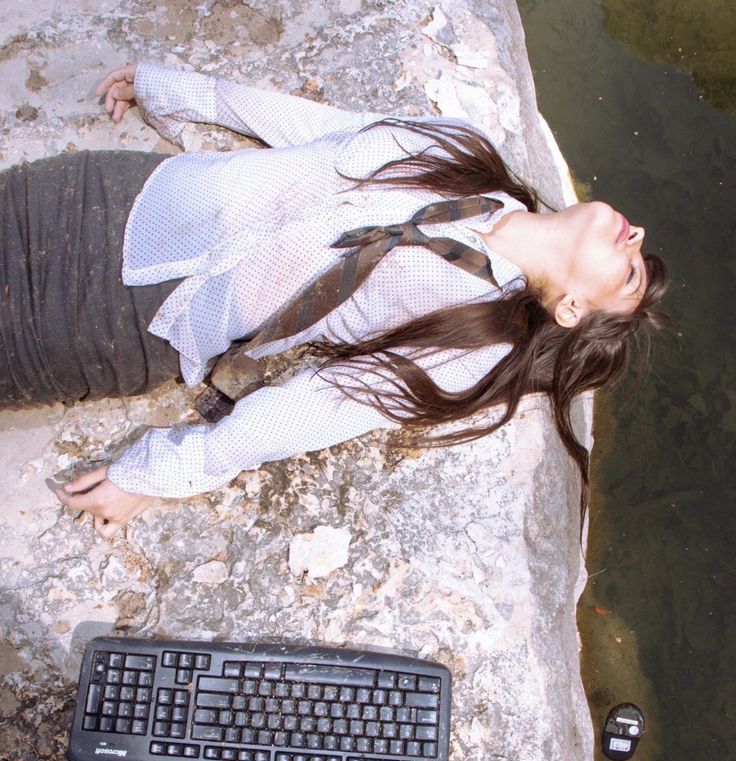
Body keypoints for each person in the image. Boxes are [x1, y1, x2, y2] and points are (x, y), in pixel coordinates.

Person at [0, 62, 669, 537]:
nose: (634, 235)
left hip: (116, 318)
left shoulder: (476, 340)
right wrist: (177, 90)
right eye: (640, 246)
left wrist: (158, 473)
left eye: (630, 270)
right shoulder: (467, 152)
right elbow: (320, 129)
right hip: (124, 192)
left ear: (575, 309)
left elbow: (321, 403)